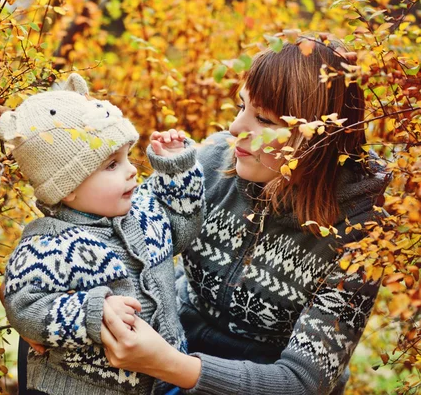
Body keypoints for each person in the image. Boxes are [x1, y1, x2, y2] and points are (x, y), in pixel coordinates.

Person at [99, 37, 388, 394]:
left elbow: (302, 382)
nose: (235, 128)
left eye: (263, 118)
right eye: (241, 107)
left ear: (320, 138)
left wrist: (166, 364)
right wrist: (80, 305)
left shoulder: (360, 225)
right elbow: (111, 235)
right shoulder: (214, 160)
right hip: (169, 342)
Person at [0, 73, 204, 395]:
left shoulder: (145, 210)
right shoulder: (47, 245)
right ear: (66, 189)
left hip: (165, 377)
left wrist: (175, 170)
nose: (132, 169)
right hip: (82, 387)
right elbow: (24, 308)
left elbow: (182, 227)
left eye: (125, 157)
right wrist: (93, 310)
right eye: (111, 165)